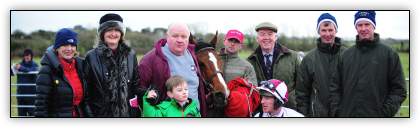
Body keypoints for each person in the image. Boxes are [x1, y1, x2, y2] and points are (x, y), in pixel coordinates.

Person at [330, 11, 407, 117]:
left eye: (367, 24)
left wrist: (385, 113)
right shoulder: (346, 55)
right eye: (360, 25)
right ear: (356, 27)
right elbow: (335, 87)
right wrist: (338, 111)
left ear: (374, 26)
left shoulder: (389, 54)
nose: (363, 29)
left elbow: (399, 89)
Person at [138, 22, 207, 117]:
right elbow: (139, 88)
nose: (180, 40)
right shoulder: (151, 58)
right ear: (167, 36)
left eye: (184, 36)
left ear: (188, 38)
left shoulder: (193, 56)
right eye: (175, 36)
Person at [84, 13, 145, 117]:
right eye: (109, 30)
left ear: (121, 33)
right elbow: (86, 94)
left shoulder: (131, 55)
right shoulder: (91, 56)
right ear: (102, 33)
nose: (113, 33)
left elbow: (135, 86)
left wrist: (148, 94)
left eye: (117, 30)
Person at [296, 13, 347, 117]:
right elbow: (302, 93)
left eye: (330, 30)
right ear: (318, 31)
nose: (327, 34)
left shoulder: (347, 55)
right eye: (324, 30)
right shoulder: (309, 59)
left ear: (336, 30)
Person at [35, 28, 90, 117]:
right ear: (57, 47)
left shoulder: (81, 67)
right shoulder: (47, 71)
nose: (69, 49)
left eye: (72, 45)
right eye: (65, 45)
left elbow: (85, 100)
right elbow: (41, 107)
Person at [246, 22, 301, 110]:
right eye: (262, 34)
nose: (266, 38)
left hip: (288, 109)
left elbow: (302, 85)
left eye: (270, 34)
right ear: (257, 38)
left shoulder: (293, 57)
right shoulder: (249, 62)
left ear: (275, 37)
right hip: (261, 111)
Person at [15, 48, 39, 116]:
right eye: (25, 55)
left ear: (31, 56)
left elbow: (33, 71)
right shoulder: (19, 65)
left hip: (31, 94)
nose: (26, 57)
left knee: (32, 113)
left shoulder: (35, 65)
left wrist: (21, 68)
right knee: (21, 113)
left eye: (28, 55)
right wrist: (13, 68)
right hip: (21, 94)